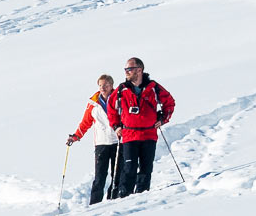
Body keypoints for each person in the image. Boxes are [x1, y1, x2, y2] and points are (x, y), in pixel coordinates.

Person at [107, 57, 176, 198]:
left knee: (146, 168)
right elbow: (111, 109)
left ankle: (142, 198)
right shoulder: (122, 89)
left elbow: (169, 102)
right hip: (129, 135)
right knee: (129, 168)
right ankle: (124, 197)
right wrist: (116, 126)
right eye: (126, 69)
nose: (126, 72)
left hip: (149, 134)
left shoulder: (153, 87)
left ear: (139, 70)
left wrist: (163, 118)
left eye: (129, 69)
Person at [66, 74, 121, 205]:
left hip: (118, 141)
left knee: (116, 175)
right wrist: (76, 136)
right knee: (99, 177)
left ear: (112, 86)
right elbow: (86, 122)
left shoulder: (119, 98)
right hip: (101, 143)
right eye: (101, 85)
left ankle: (112, 201)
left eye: (106, 85)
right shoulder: (93, 103)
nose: (103, 88)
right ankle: (94, 204)